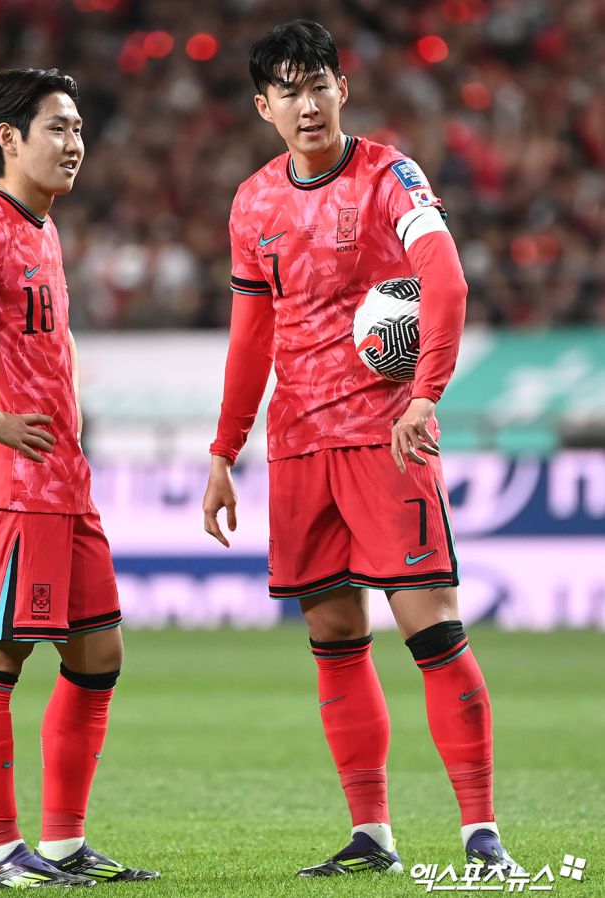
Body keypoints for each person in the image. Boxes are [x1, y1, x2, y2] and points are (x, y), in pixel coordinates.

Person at [203, 20, 522, 878]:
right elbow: (250, 337)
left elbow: (446, 279)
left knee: (432, 630)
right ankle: (371, 836)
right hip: (299, 447)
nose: (307, 105)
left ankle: (481, 836)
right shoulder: (252, 203)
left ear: (342, 89)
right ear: (264, 106)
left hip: (388, 438)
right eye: (289, 91)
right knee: (335, 637)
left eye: (320, 86)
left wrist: (424, 395)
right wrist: (224, 450)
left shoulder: (391, 176)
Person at [0, 67, 158, 889]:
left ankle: (63, 844)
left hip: (61, 484)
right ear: (9, 140)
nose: (74, 143)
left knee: (98, 654)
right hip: (7, 486)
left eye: (78, 128)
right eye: (57, 128)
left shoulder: (40, 227)